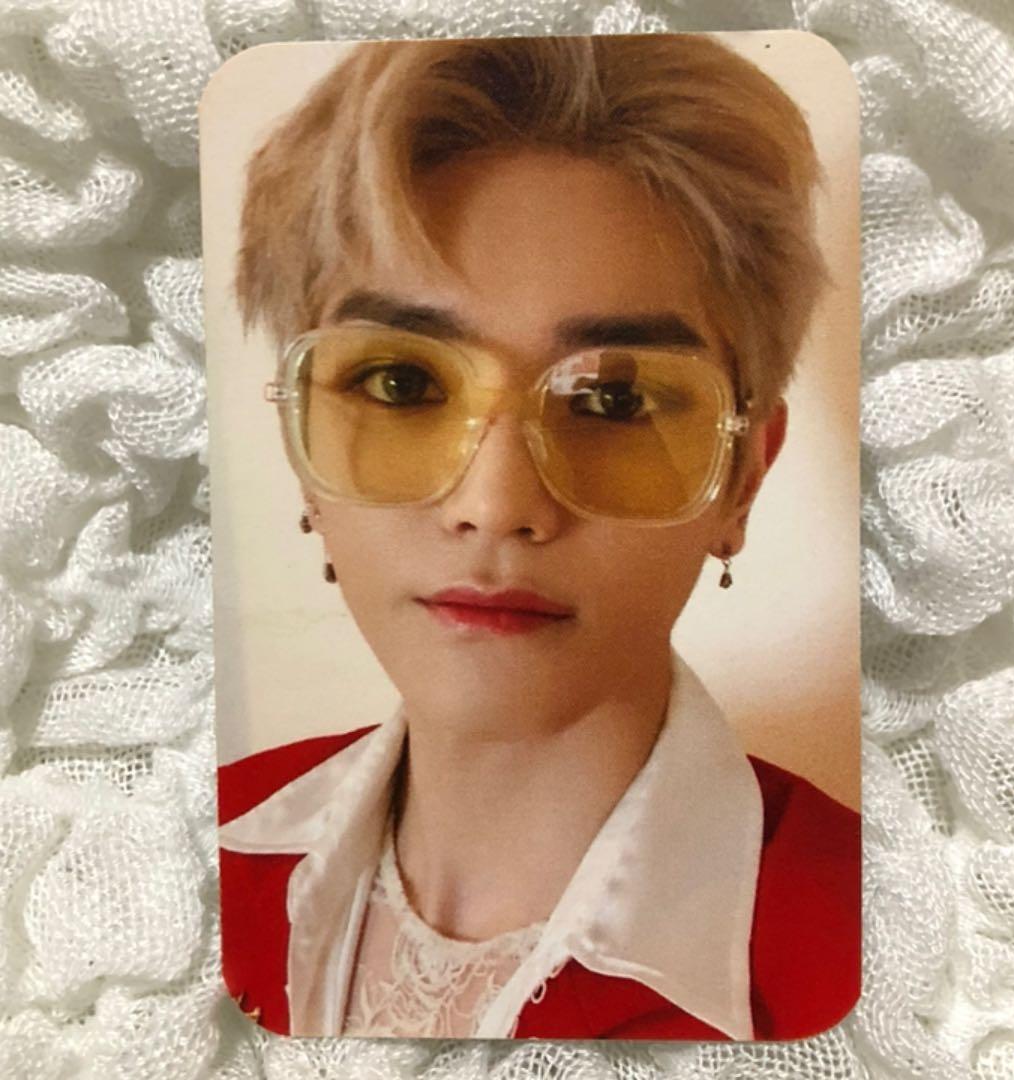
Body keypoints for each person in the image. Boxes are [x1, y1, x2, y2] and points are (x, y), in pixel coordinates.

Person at [215, 33, 859, 1040]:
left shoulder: (906, 946)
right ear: (302, 444)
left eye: (615, 399)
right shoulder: (168, 844)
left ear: (742, 477)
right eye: (403, 383)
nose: (496, 504)